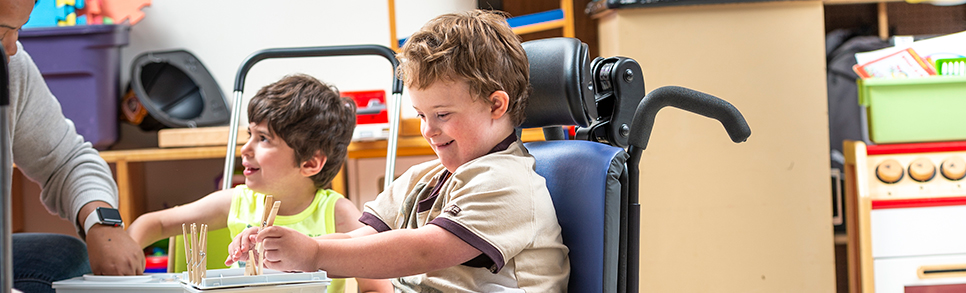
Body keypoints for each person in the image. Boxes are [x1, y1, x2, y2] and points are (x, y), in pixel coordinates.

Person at [226, 10, 570, 292]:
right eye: (421, 115)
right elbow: (361, 238)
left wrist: (314, 253)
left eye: (442, 115)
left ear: (496, 105)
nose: (428, 129)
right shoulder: (426, 176)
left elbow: (422, 251)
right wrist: (284, 245)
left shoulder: (508, 181)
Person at [126, 74, 392, 293]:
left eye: (263, 139)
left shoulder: (337, 213)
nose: (245, 149)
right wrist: (127, 253)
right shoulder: (234, 202)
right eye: (249, 134)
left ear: (310, 163)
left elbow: (377, 287)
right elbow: (154, 223)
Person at [2, 0, 146, 292]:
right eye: (3, 30)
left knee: (65, 258)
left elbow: (67, 160)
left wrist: (102, 224)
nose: (13, 47)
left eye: (19, 29)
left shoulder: (12, 66)